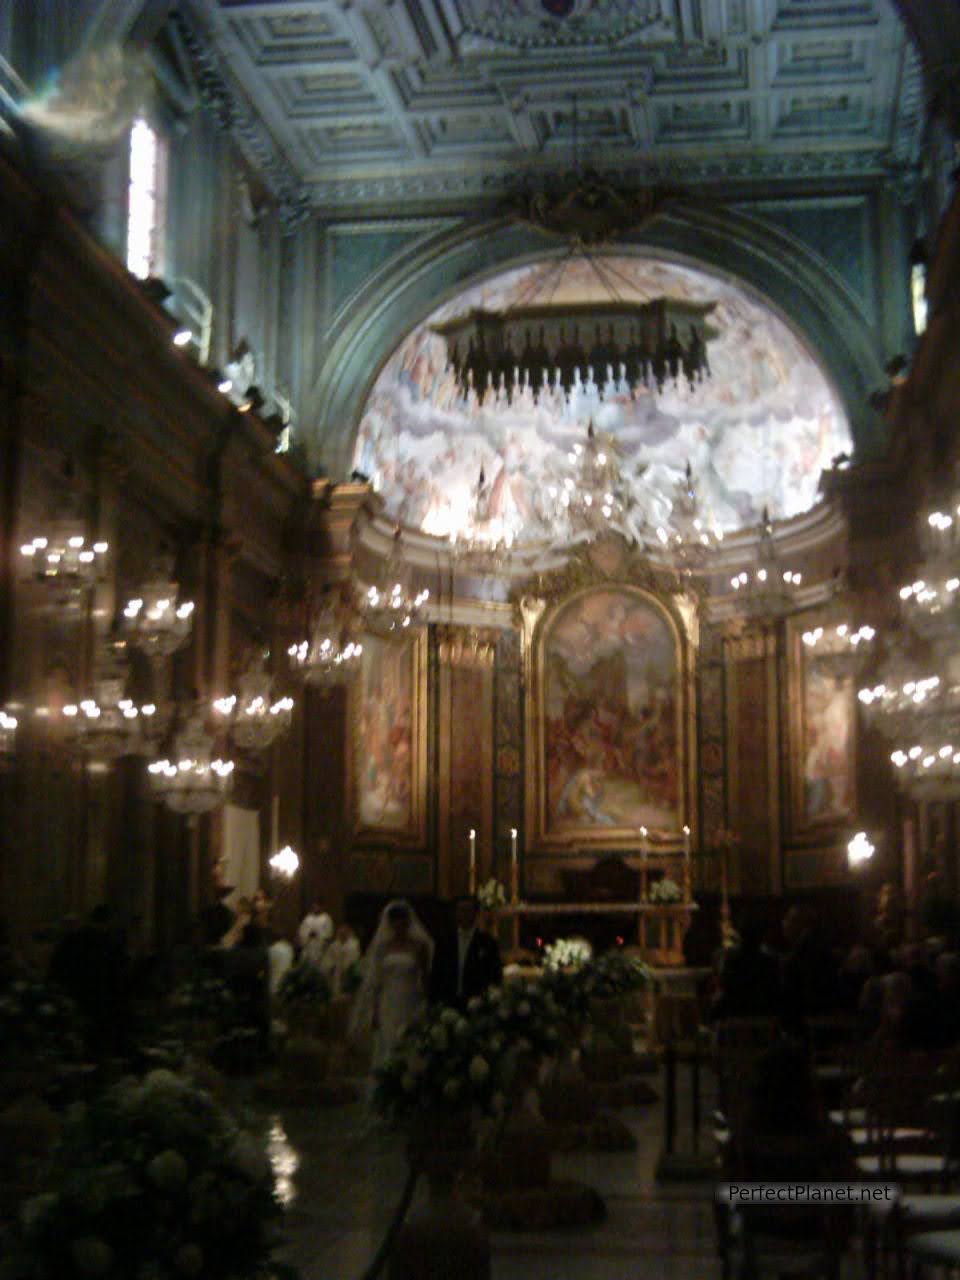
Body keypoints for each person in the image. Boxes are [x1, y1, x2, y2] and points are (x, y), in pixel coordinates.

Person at [350, 900, 433, 1074]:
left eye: (402, 920)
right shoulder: (382, 947)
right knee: (387, 1044)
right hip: (387, 1001)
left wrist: (427, 1005)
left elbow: (425, 977)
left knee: (409, 1043)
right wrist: (374, 1009)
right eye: (395, 921)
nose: (399, 925)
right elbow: (377, 980)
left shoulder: (419, 946)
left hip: (411, 999)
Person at [430, 896, 503, 1010]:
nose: (464, 914)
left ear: (475, 913)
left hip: (476, 1003)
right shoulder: (445, 941)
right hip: (448, 1001)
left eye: (468, 910)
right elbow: (437, 972)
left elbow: (494, 975)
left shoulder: (487, 943)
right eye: (461, 910)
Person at [321, 923, 361, 997]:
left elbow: (354, 959)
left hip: (347, 974)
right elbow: (328, 958)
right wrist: (331, 966)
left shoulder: (353, 944)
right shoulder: (334, 945)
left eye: (344, 932)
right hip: (336, 973)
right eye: (340, 932)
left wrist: (347, 969)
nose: (342, 933)